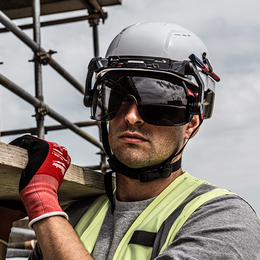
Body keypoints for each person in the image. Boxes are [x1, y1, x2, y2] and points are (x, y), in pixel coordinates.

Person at [1, 22, 260, 260]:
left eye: (158, 103)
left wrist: (43, 205)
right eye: (116, 98)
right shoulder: (74, 217)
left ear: (191, 123)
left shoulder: (224, 221)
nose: (131, 116)